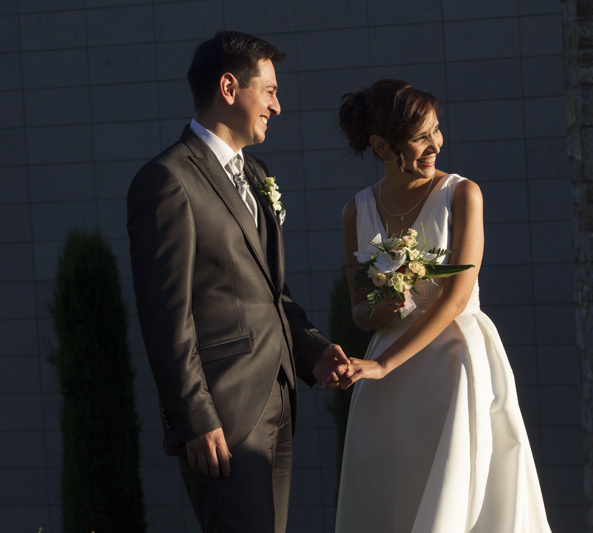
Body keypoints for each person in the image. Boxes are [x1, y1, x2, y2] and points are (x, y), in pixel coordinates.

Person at [127, 30, 350, 533]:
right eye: (269, 91)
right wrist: (195, 416)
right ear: (229, 88)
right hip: (223, 414)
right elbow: (165, 316)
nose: (277, 106)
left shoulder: (257, 173)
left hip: (278, 398)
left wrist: (312, 350)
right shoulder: (167, 180)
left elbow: (272, 292)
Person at [334, 79, 552, 533]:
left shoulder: (462, 194)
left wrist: (384, 365)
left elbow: (456, 297)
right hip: (391, 385)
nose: (436, 144)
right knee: (395, 496)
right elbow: (359, 312)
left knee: (456, 495)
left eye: (436, 129)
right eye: (420, 137)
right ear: (381, 146)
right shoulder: (356, 211)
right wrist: (387, 302)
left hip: (455, 363)